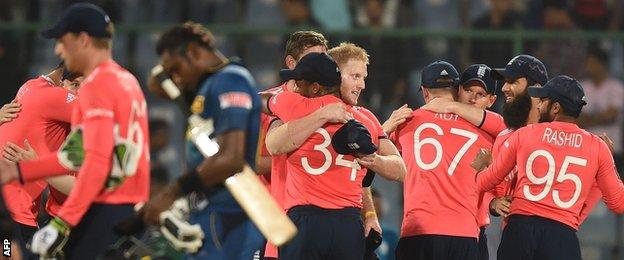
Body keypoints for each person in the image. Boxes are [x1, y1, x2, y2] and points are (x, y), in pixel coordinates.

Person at [0, 3, 149, 259]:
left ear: (83, 40)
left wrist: (59, 222)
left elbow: (96, 168)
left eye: (62, 41)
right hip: (102, 211)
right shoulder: (126, 82)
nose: (58, 49)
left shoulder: (96, 88)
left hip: (101, 214)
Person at [141, 22, 264, 259]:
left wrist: (170, 193)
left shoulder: (231, 80)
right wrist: (167, 69)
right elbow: (157, 83)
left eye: (176, 69)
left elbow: (231, 159)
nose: (175, 79)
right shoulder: (206, 86)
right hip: (209, 213)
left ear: (194, 53)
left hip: (228, 217)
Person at [475, 75, 624, 260]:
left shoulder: (524, 134)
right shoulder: (598, 147)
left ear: (555, 107)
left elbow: (485, 182)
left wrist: (481, 169)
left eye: (543, 101)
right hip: (562, 236)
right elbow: (618, 203)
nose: (538, 106)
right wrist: (610, 162)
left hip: (520, 231)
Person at [265, 52, 383, 260]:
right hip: (348, 224)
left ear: (314, 87)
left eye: (299, 83)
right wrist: (371, 159)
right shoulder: (363, 118)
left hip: (306, 221)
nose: (294, 87)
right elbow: (400, 171)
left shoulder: (294, 105)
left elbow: (262, 103)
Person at [390, 61, 494, 260]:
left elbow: (372, 150)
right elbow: (506, 128)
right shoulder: (484, 128)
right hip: (464, 234)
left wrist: (384, 128)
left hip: (418, 231)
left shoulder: (406, 122)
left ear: (425, 92)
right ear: (457, 90)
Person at [0, 62, 81, 260]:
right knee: (9, 252)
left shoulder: (31, 86)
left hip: (14, 213)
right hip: (15, 213)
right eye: (77, 85)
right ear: (65, 82)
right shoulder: (58, 97)